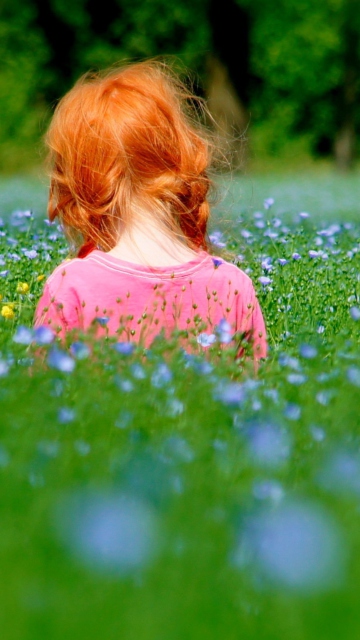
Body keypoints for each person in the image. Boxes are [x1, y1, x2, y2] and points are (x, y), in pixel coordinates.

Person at [34, 60, 266, 360]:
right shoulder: (233, 287)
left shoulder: (72, 287)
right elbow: (254, 397)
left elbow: (40, 396)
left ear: (79, 184)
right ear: (181, 157)